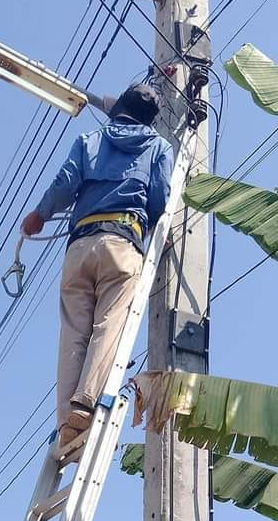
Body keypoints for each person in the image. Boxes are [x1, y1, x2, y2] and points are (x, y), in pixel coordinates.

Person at [21, 82, 173, 457]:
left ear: (118, 106)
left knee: (74, 331)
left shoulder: (91, 139)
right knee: (109, 325)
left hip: (80, 244)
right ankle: (86, 401)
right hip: (123, 243)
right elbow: (160, 201)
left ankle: (65, 421)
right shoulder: (158, 147)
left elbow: (64, 184)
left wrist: (39, 217)